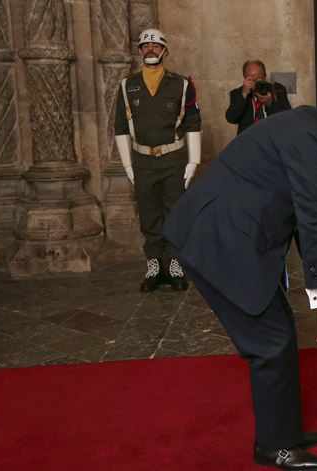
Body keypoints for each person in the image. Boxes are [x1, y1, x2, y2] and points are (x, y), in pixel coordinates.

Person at [163, 82, 317, 469]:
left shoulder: (316, 129)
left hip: (232, 234)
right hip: (218, 240)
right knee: (269, 342)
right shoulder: (315, 140)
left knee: (280, 327)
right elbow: (312, 220)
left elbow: (304, 218)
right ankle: (275, 448)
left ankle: (285, 433)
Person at [114, 28, 201, 293]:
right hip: (142, 162)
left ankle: (174, 265)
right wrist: (128, 165)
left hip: (174, 160)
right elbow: (120, 127)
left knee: (174, 214)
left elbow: (193, 123)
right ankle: (154, 266)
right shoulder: (127, 86)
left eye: (155, 45)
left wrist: (193, 161)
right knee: (149, 216)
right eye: (145, 46)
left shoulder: (181, 84)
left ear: (165, 50)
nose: (150, 49)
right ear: (140, 51)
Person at [225, 60, 292, 135]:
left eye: (259, 80)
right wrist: (244, 94)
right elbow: (231, 118)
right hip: (249, 141)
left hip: (272, 138)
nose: (256, 83)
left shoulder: (277, 90)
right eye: (252, 80)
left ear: (265, 76)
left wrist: (270, 103)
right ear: (245, 78)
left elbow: (287, 117)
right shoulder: (238, 93)